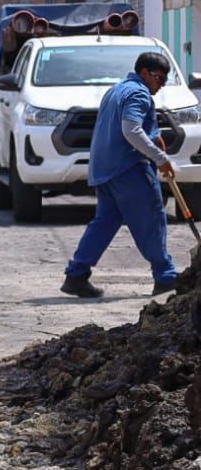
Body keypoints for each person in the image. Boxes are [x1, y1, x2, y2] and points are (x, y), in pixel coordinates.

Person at [62, 50, 180, 298]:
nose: (161, 85)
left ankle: (76, 274)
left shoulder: (117, 90)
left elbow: (128, 126)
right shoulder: (139, 93)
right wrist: (160, 158)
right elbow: (131, 130)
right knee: (152, 217)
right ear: (144, 73)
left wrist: (154, 137)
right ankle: (165, 276)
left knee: (105, 222)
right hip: (128, 169)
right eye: (159, 78)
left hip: (105, 170)